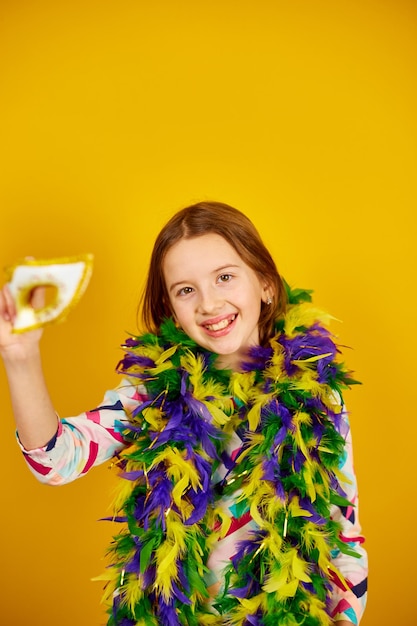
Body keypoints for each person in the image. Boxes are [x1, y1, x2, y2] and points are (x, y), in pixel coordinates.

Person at [0, 202, 367, 626]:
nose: (209, 303)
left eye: (225, 277)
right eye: (185, 289)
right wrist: (20, 357)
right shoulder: (152, 394)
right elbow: (57, 459)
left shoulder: (318, 395)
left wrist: (345, 618)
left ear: (265, 283)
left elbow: (344, 531)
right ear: (170, 306)